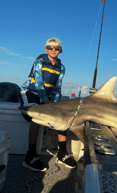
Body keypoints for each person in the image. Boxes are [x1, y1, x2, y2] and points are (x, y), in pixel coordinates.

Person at [21, 38, 76, 171]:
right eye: (50, 47)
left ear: (60, 50)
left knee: (62, 116)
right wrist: (47, 103)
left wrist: (56, 105)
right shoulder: (39, 61)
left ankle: (62, 153)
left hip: (49, 97)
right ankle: (30, 156)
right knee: (37, 116)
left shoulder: (61, 68)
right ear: (46, 49)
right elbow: (39, 84)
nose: (53, 50)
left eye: (56, 48)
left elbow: (57, 88)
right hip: (32, 92)